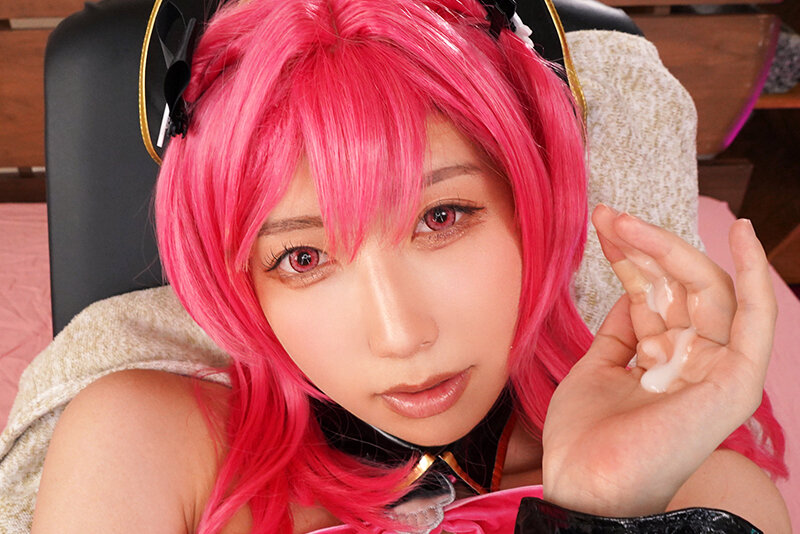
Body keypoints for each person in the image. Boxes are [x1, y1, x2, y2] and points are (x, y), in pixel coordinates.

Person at [31, 0, 790, 532]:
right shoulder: (141, 445)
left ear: (532, 204)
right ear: (239, 282)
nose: (400, 335)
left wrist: (601, 511)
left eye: (441, 217)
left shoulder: (698, 489)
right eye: (303, 256)